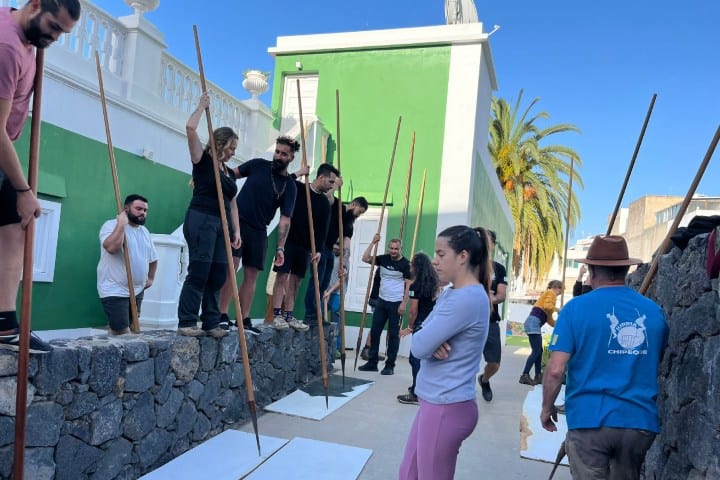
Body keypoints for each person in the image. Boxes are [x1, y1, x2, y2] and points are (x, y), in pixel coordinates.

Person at [541, 235, 668, 479]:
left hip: (590, 421)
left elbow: (556, 369)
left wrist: (546, 408)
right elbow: (654, 359)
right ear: (626, 269)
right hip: (638, 423)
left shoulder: (575, 309)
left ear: (591, 271)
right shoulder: (653, 312)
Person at [0, 0, 81, 354]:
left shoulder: (29, 42)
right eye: (54, 28)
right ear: (35, 6)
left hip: (5, 155)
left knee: (13, 230)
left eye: (63, 33)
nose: (56, 38)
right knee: (20, 212)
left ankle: (4, 325)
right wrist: (23, 188)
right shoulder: (7, 47)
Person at [398, 225, 492, 480]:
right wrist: (428, 340)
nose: (434, 261)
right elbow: (424, 336)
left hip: (446, 406)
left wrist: (427, 340)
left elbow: (417, 346)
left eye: (441, 254)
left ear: (462, 256)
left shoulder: (467, 298)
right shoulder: (453, 292)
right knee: (408, 474)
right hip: (436, 403)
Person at [216, 136, 304, 335]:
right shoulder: (258, 165)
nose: (278, 156)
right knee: (232, 267)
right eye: (277, 151)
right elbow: (232, 175)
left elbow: (285, 219)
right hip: (237, 222)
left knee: (252, 275)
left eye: (283, 154)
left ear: (291, 158)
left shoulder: (289, 186)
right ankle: (222, 314)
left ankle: (243, 318)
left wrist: (280, 247)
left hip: (259, 230)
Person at [176, 93, 240, 338]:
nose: (234, 152)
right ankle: (187, 321)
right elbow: (190, 128)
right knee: (200, 271)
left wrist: (236, 232)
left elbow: (233, 204)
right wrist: (201, 106)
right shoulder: (202, 161)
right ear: (221, 144)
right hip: (201, 219)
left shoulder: (228, 173)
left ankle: (211, 322)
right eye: (231, 147)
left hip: (221, 225)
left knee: (218, 273)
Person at [269, 163, 338, 331]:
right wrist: (300, 172)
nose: (331, 186)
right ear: (321, 177)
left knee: (296, 281)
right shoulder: (299, 188)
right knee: (282, 276)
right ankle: (277, 315)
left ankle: (289, 316)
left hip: (306, 247)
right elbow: (285, 180)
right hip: (289, 241)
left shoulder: (323, 202)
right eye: (330, 181)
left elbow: (323, 229)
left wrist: (319, 250)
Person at [304, 188, 367, 326]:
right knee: (317, 282)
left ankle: (318, 316)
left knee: (324, 284)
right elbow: (325, 197)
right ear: (354, 205)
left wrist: (344, 265)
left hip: (329, 253)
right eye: (359, 212)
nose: (359, 215)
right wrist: (335, 185)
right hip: (321, 247)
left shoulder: (350, 224)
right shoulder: (337, 207)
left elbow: (346, 247)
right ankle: (310, 315)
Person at [97, 194, 158, 335]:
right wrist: (121, 225)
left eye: (145, 210)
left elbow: (154, 258)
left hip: (137, 290)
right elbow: (112, 248)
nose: (143, 213)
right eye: (138, 209)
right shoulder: (110, 225)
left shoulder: (144, 231)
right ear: (126, 209)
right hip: (114, 289)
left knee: (127, 328)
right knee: (122, 332)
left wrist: (151, 278)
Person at [358, 235, 412, 375]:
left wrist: (403, 303)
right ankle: (372, 362)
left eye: (396, 249)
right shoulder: (383, 259)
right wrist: (373, 242)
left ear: (401, 249)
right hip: (382, 301)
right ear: (389, 248)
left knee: (393, 335)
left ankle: (389, 365)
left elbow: (408, 285)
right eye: (391, 248)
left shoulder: (406, 264)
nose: (393, 251)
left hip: (396, 303)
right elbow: (365, 258)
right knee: (375, 332)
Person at [397, 252, 440, 405]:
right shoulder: (435, 282)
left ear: (416, 266)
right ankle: (423, 388)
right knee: (425, 359)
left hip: (421, 323)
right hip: (433, 323)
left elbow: (413, 310)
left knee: (414, 358)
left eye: (412, 264)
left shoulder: (416, 285)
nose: (410, 266)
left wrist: (409, 327)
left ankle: (417, 393)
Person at [476, 229, 508, 402]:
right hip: (471, 320)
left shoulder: (499, 269)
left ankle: (484, 379)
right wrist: (486, 296)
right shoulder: (471, 266)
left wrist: (487, 297)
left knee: (494, 363)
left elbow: (501, 295)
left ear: (494, 245)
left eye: (489, 241)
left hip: (491, 322)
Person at [519, 279, 562, 385]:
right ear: (557, 288)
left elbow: (548, 319)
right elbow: (548, 307)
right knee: (536, 351)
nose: (560, 293)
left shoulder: (548, 297)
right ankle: (525, 375)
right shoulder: (551, 293)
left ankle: (538, 375)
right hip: (533, 323)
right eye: (561, 290)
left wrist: (559, 324)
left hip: (533, 323)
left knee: (539, 351)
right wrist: (558, 310)